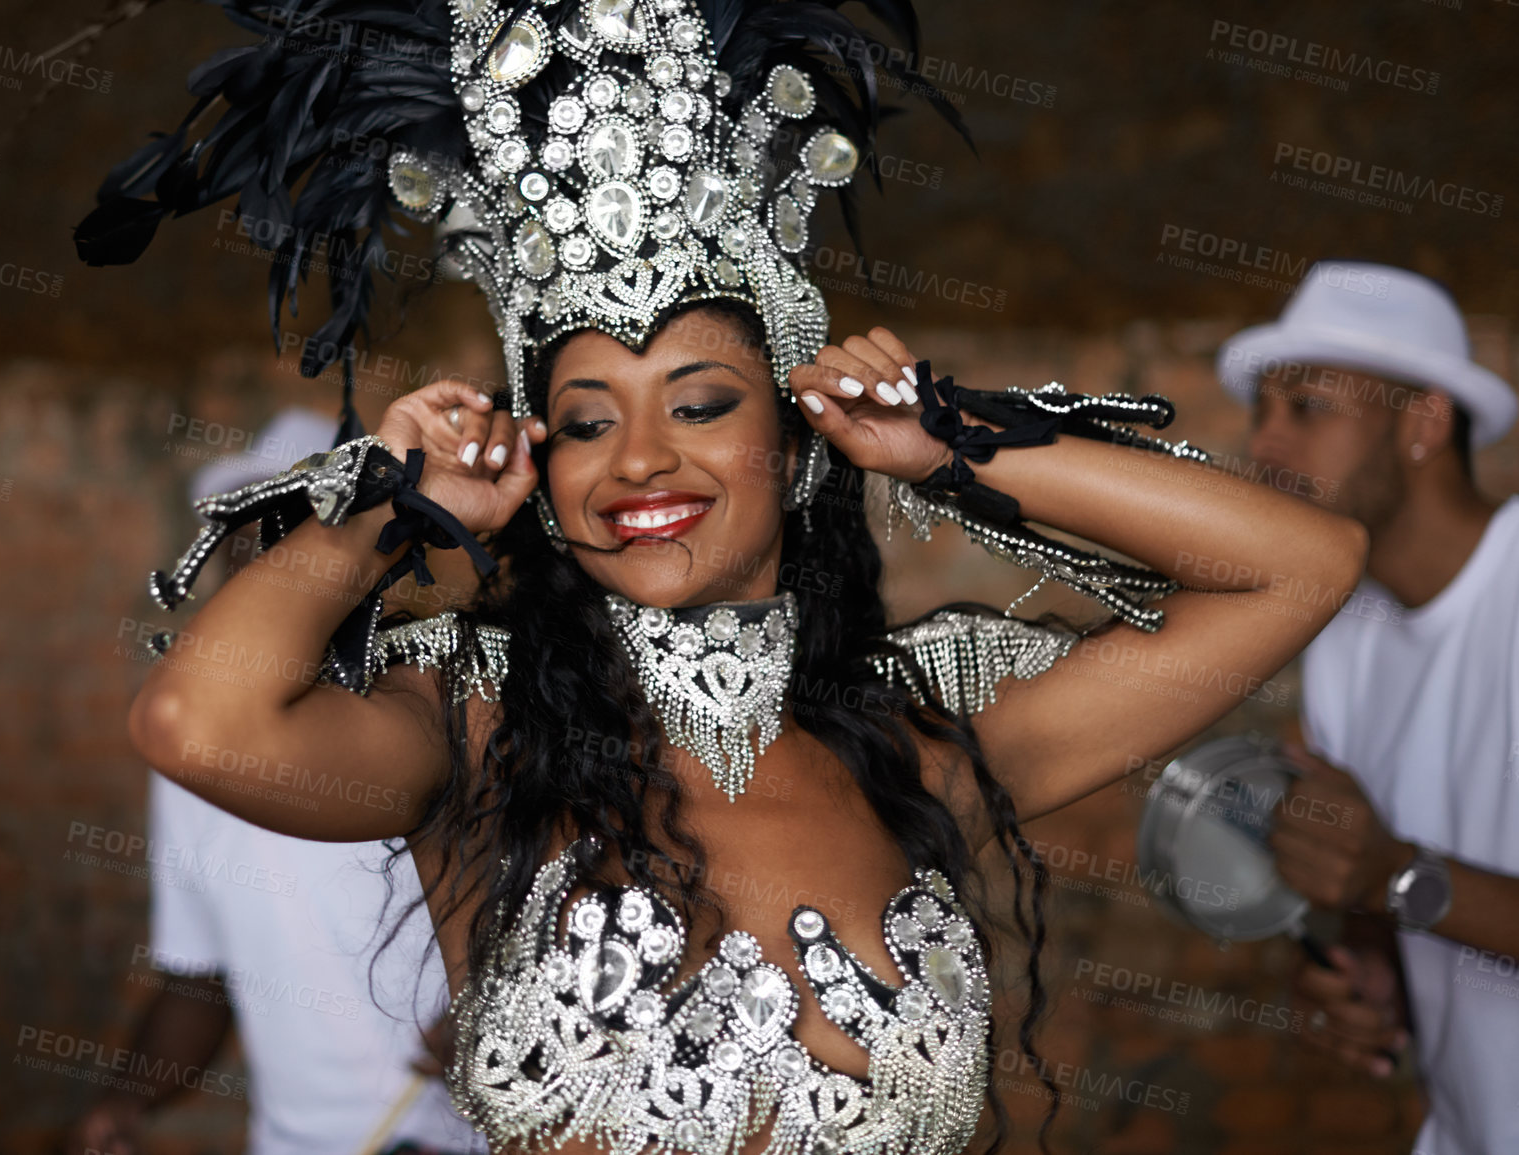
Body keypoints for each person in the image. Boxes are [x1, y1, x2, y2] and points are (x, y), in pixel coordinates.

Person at [77, 2, 1366, 1151]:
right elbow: (198, 723)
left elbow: (1299, 567)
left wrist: (946, 443)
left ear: (796, 442)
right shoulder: (477, 729)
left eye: (698, 404)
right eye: (585, 420)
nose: (640, 458)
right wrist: (397, 504)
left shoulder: (921, 743)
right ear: (539, 457)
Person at [1220, 260, 1519, 1155]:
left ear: (1422, 421)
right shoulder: (1344, 631)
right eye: (1261, 411)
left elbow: (1403, 876)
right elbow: (1386, 896)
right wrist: (1370, 973)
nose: (1264, 445)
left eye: (1305, 407)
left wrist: (1398, 878)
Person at [68, 409, 486, 1155]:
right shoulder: (193, 760)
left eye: (291, 535)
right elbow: (199, 979)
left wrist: (498, 1011)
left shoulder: (436, 714)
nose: (261, 562)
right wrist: (124, 1102)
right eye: (247, 539)